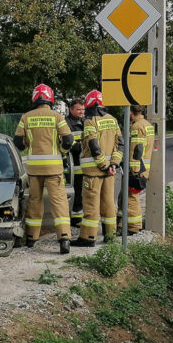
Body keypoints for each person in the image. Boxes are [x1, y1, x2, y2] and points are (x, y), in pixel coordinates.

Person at [13, 84, 74, 254]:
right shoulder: (57, 116)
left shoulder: (26, 117)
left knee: (34, 201)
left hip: (34, 169)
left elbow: (18, 142)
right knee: (59, 203)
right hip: (54, 168)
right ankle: (64, 239)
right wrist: (61, 151)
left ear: (35, 98)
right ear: (50, 98)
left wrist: (28, 147)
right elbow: (68, 139)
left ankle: (32, 238)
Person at [72, 90, 123, 247]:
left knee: (91, 206)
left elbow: (94, 146)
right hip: (110, 173)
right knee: (109, 204)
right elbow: (120, 144)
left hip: (94, 173)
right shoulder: (113, 120)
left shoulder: (90, 121)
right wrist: (113, 164)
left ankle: (87, 238)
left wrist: (103, 165)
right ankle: (110, 235)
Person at [125, 105, 155, 235]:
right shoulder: (147, 124)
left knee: (132, 198)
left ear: (131, 112)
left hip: (137, 168)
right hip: (144, 168)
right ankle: (126, 223)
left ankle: (134, 227)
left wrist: (134, 170)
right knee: (131, 197)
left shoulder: (137, 127)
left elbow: (136, 150)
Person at [65, 98, 85, 226]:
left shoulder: (85, 121)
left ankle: (80, 215)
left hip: (85, 163)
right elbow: (69, 142)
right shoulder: (66, 123)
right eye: (78, 109)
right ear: (71, 109)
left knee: (83, 192)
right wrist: (84, 146)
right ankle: (75, 218)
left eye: (83, 109)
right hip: (73, 163)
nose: (81, 112)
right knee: (76, 191)